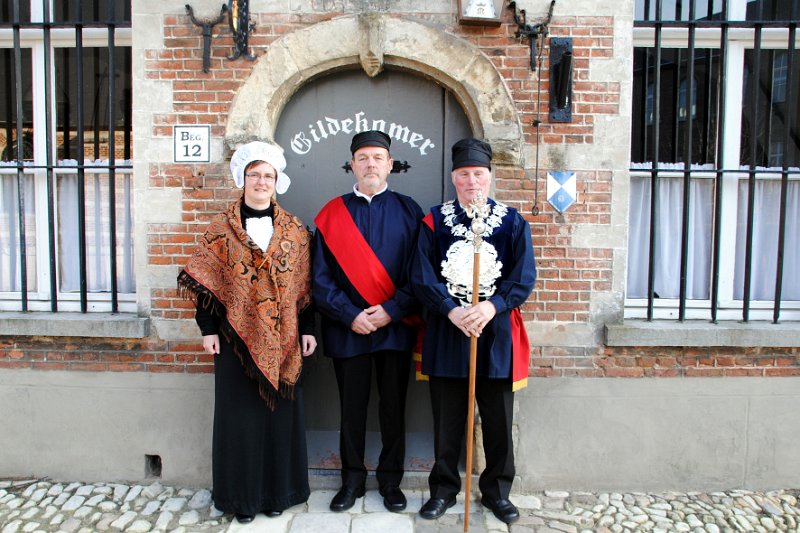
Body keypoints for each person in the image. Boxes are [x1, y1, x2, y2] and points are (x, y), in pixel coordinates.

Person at [177, 141, 316, 524]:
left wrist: (308, 330)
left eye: (268, 175)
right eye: (254, 174)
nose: (261, 181)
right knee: (240, 421)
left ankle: (278, 494)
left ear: (277, 181)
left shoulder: (296, 230)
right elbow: (207, 283)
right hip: (233, 340)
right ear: (243, 179)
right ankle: (241, 498)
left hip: (286, 339)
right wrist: (207, 330)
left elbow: (305, 289)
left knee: (279, 419)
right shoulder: (221, 229)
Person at [411, 138, 536, 524]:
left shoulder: (514, 222)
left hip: (494, 334)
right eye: (464, 174)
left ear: (489, 177)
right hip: (448, 332)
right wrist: (450, 310)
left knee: (497, 420)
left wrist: (490, 307)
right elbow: (422, 275)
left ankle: (497, 492)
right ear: (453, 178)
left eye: (478, 174)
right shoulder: (434, 220)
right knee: (447, 420)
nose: (471, 181)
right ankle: (444, 490)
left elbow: (523, 277)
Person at [312, 130, 423, 513]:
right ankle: (352, 481)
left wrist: (392, 308)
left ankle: (391, 482)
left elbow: (419, 273)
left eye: (378, 157)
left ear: (390, 163)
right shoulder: (331, 214)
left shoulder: (410, 210)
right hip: (349, 330)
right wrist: (350, 315)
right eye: (363, 157)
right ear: (352, 164)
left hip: (394, 327)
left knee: (393, 408)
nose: (371, 163)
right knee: (352, 409)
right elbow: (319, 279)